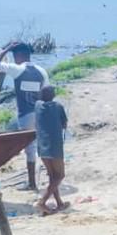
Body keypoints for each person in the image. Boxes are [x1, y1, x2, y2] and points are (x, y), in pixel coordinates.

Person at [0, 42, 48, 189]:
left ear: (19, 55)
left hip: (25, 115)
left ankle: (32, 183)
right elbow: (45, 93)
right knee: (38, 146)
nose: (14, 59)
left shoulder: (17, 69)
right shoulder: (41, 71)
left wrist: (6, 49)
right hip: (40, 112)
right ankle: (44, 176)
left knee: (29, 149)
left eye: (14, 56)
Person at [35, 86, 68, 215]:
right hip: (54, 146)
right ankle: (42, 202)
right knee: (60, 175)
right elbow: (64, 124)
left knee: (53, 177)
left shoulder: (37, 106)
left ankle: (59, 203)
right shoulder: (58, 107)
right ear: (53, 95)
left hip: (41, 146)